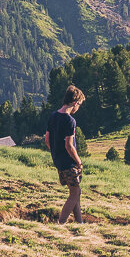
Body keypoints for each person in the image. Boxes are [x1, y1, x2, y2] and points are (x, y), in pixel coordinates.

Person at [46, 85, 85, 224]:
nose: (78, 108)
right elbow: (69, 145)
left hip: (58, 161)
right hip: (69, 163)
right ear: (75, 102)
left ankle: (80, 223)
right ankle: (61, 223)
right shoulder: (70, 121)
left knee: (75, 192)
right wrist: (78, 161)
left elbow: (47, 139)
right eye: (79, 105)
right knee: (74, 194)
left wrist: (56, 154)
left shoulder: (53, 116)